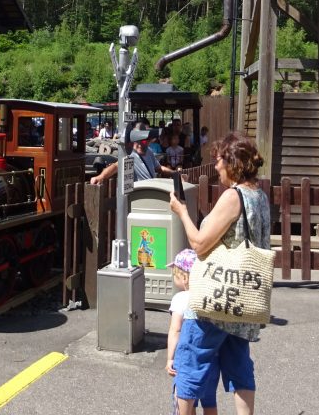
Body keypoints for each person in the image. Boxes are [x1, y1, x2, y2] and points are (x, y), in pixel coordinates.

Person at [168, 132, 270, 415]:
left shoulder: (233, 196)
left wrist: (182, 212)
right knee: (239, 368)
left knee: (190, 364)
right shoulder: (259, 195)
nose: (215, 167)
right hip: (242, 301)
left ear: (232, 163)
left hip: (217, 299)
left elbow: (199, 243)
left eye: (219, 161)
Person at [166, 249, 218, 415]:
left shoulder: (180, 299)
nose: (174, 279)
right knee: (210, 401)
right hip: (211, 359)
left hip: (188, 359)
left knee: (186, 397)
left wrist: (170, 358)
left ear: (185, 278)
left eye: (176, 275)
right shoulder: (209, 298)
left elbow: (175, 330)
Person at [90, 126, 171, 185]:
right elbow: (116, 166)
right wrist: (101, 177)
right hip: (141, 191)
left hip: (152, 187)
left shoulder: (148, 151)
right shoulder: (132, 153)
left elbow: (159, 168)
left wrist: (174, 173)